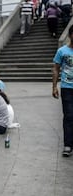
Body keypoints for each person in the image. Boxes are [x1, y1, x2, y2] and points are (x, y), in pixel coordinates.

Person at [52, 25, 73, 157]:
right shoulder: (62, 51)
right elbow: (56, 68)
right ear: (71, 35)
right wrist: (54, 86)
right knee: (69, 116)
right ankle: (68, 145)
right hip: (67, 88)